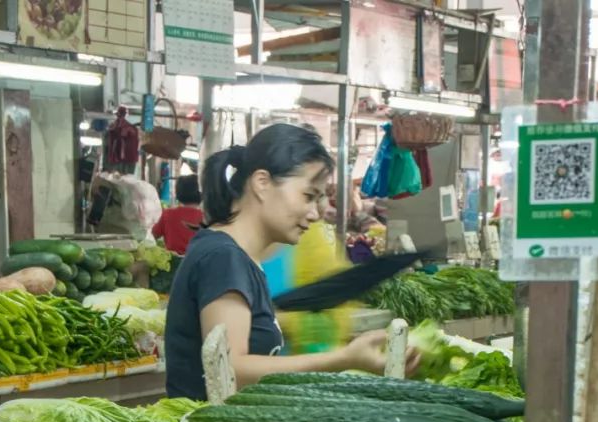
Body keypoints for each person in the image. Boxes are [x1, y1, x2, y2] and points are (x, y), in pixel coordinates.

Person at [164, 123, 415, 400]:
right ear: (262, 183)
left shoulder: (240, 256)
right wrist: (344, 358)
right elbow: (231, 369)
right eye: (308, 196)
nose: (315, 213)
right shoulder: (223, 257)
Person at [152, 175, 204, 255]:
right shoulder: (205, 218)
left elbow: (154, 235)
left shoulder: (168, 214)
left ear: (178, 193)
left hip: (173, 261)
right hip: (197, 260)